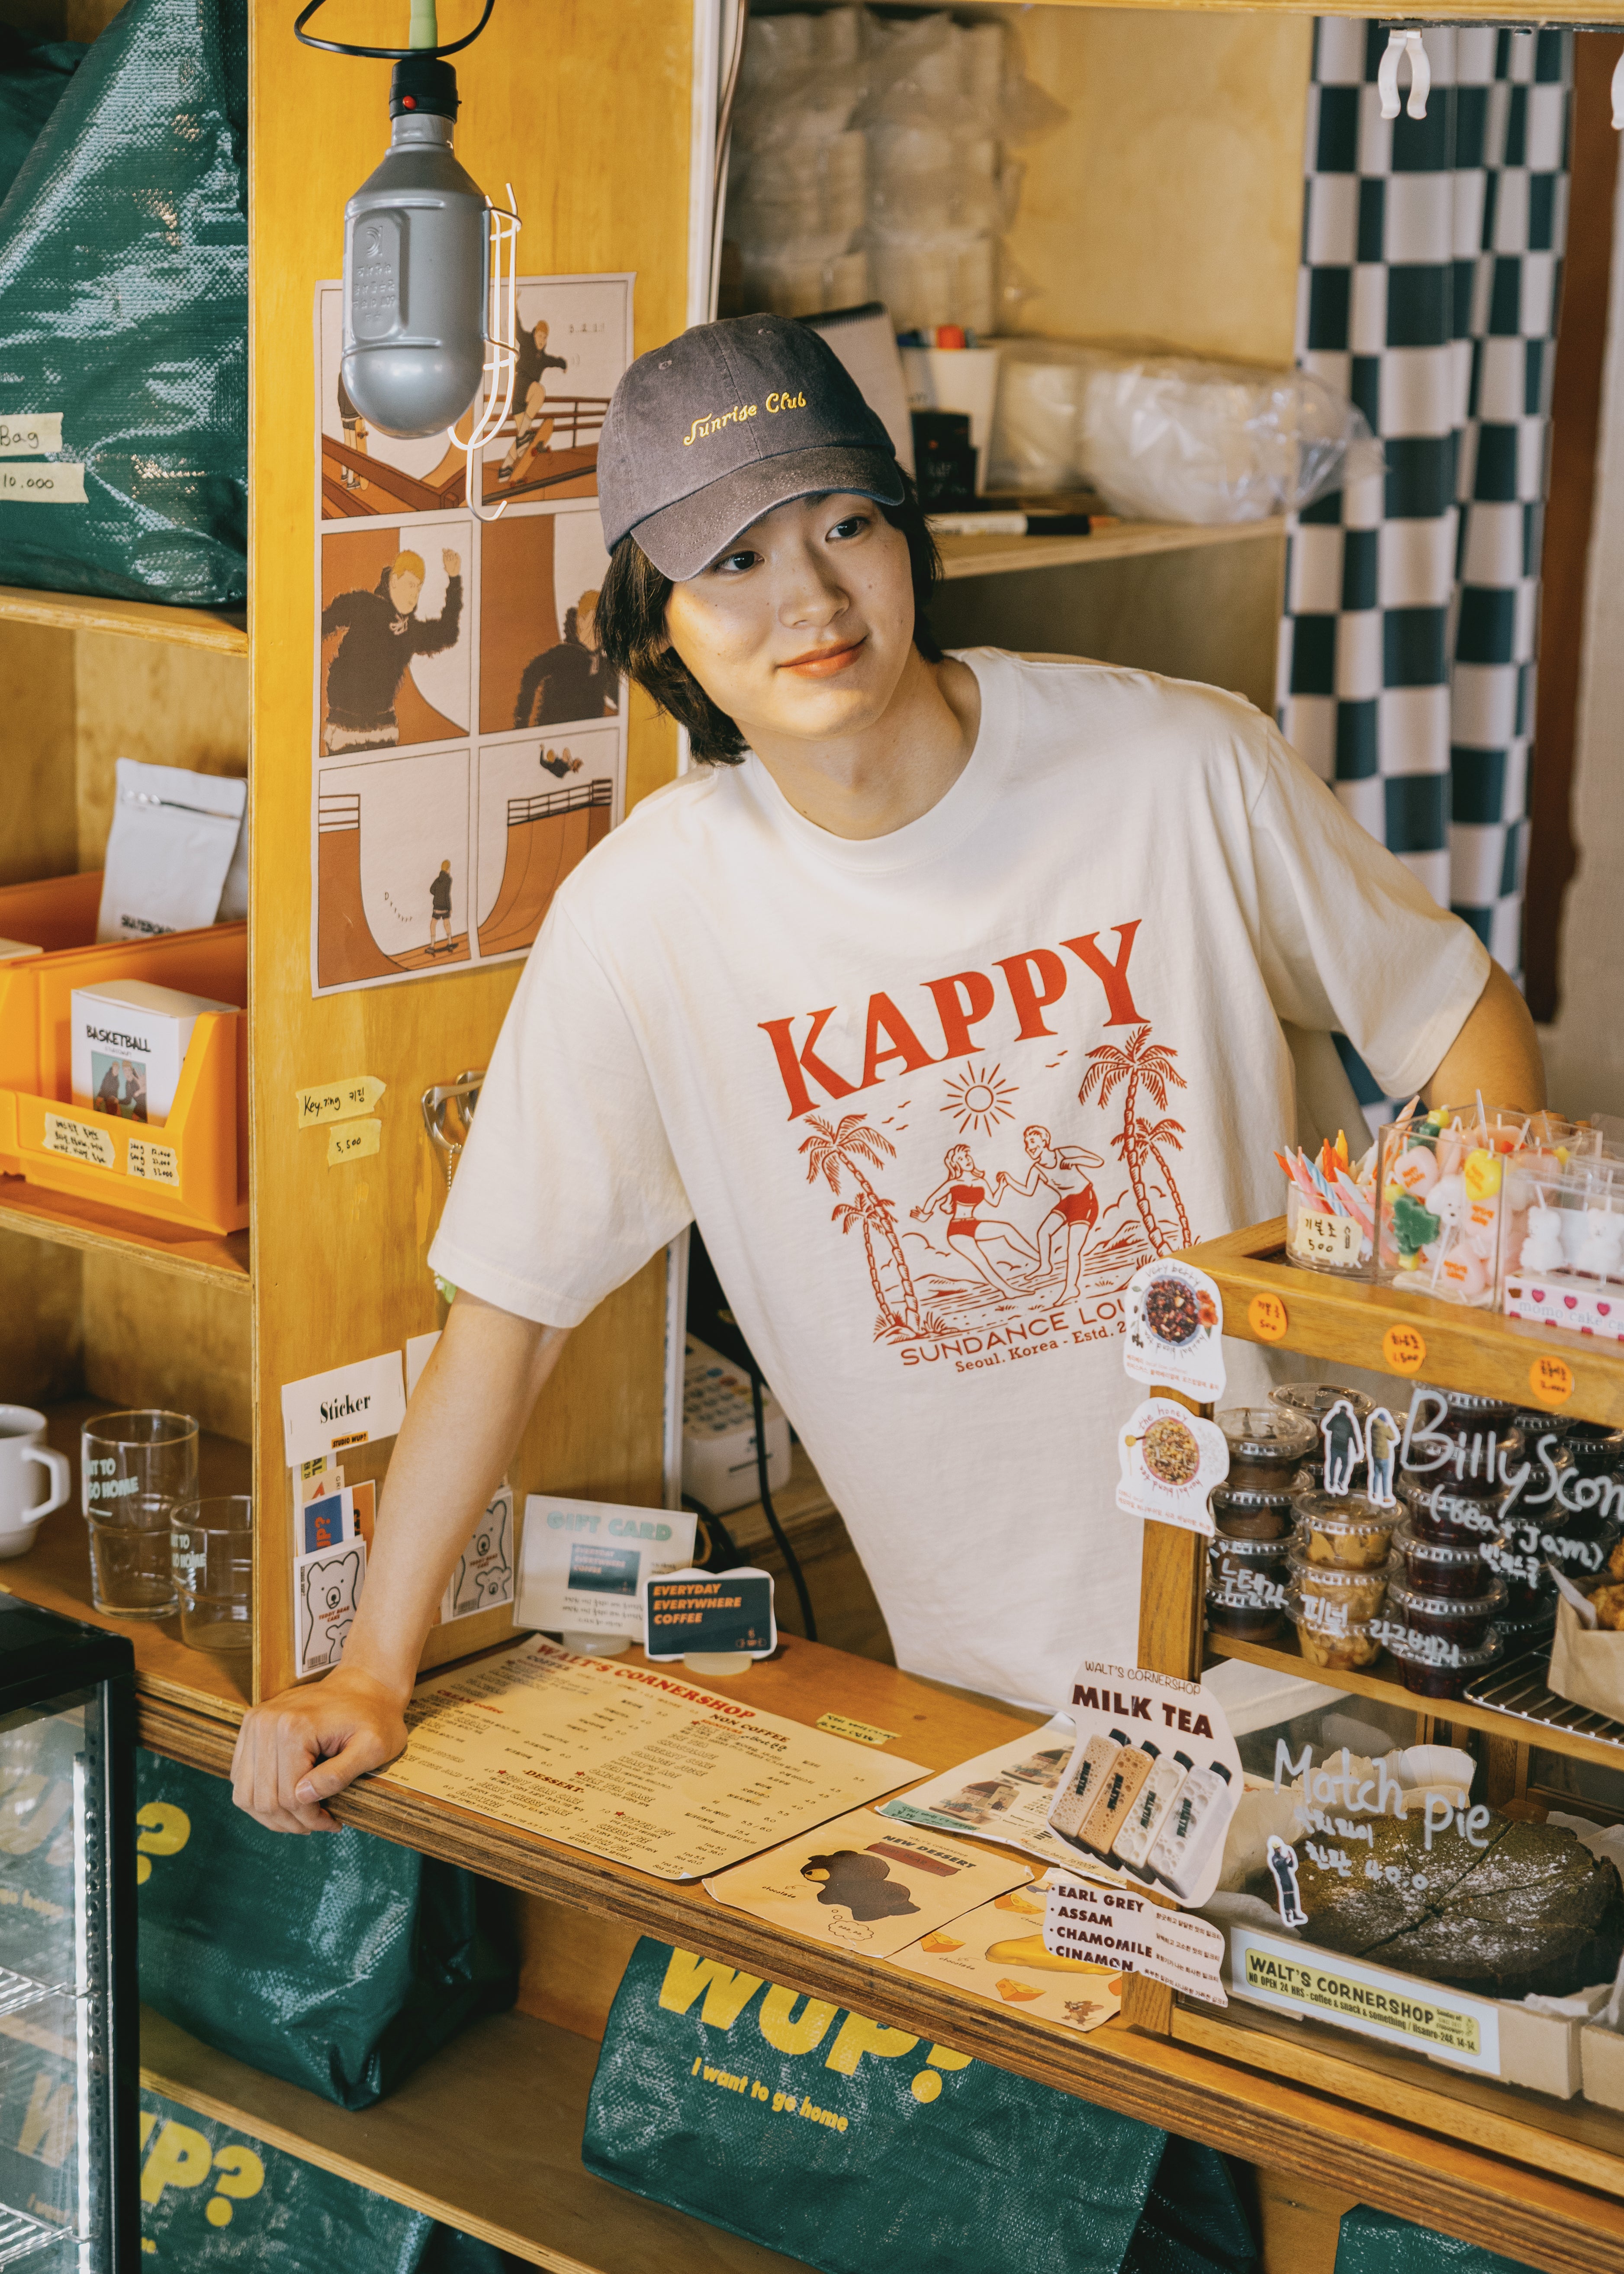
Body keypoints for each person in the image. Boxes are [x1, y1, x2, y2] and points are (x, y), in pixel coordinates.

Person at [232, 313, 1543, 1833]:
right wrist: (372, 1670)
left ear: (907, 535)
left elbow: (1462, 1021)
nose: (808, 598)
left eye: (844, 523)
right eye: (733, 562)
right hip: (987, 1696)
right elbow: (508, 1316)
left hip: (1320, 1617)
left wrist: (1435, 1387)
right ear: (656, 625)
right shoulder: (644, 919)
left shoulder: (1177, 766)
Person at [321, 548, 462, 754]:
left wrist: (454, 579)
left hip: (383, 733)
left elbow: (448, 633)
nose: (414, 594)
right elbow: (320, 624)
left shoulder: (409, 630)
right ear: (394, 581)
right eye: (411, 584)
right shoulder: (364, 604)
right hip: (344, 730)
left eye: (419, 588)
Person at [995, 1126, 1105, 1301]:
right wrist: (1009, 1181)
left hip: (1085, 1199)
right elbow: (1028, 1190)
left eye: (1032, 1141)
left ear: (1044, 1141)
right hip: (1067, 1202)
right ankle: (1045, 1266)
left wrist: (1075, 1160)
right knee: (1043, 1232)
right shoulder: (1037, 1169)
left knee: (1073, 1249)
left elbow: (1098, 1161)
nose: (1028, 1146)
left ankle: (1071, 1288)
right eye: (1026, 1143)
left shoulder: (1065, 1153)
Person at [912, 1143, 1038, 1292]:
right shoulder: (953, 1183)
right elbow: (934, 1198)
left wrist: (1002, 1187)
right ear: (956, 1164)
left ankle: (1040, 1260)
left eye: (967, 1156)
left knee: (1007, 1229)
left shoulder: (981, 1182)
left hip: (974, 1223)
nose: (967, 1159)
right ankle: (1009, 1291)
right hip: (957, 1230)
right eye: (961, 1158)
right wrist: (925, 1215)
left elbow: (994, 1202)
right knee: (983, 1262)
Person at [513, 590, 615, 728]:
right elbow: (531, 673)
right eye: (596, 622)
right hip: (555, 736)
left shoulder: (603, 665)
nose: (601, 630)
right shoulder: (563, 654)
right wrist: (522, 721)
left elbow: (621, 696)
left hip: (589, 738)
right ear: (582, 621)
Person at [497, 317, 568, 484]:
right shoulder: (527, 343)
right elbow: (518, 329)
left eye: (545, 338)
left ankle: (505, 468)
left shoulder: (543, 359)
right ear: (535, 334)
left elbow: (554, 361)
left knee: (523, 443)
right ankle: (523, 436)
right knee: (539, 391)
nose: (542, 341)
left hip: (522, 406)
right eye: (540, 336)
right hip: (520, 392)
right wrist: (514, 306)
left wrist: (563, 364)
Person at [428, 860, 453, 954]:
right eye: (449, 868)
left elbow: (431, 890)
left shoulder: (438, 879)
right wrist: (450, 908)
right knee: (447, 923)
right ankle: (450, 942)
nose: (450, 870)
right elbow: (447, 895)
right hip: (445, 907)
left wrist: (438, 894)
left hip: (437, 906)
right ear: (447, 869)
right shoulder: (449, 880)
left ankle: (432, 946)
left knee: (433, 924)